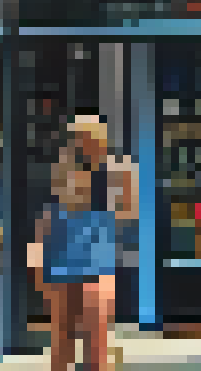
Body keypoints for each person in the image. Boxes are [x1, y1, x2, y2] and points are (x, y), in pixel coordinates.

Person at [31, 115, 136, 371]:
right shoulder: (64, 169)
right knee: (63, 336)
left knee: (96, 334)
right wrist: (37, 263)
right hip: (64, 254)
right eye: (78, 138)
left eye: (87, 137)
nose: (82, 144)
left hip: (96, 257)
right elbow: (49, 217)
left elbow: (128, 211)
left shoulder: (115, 171)